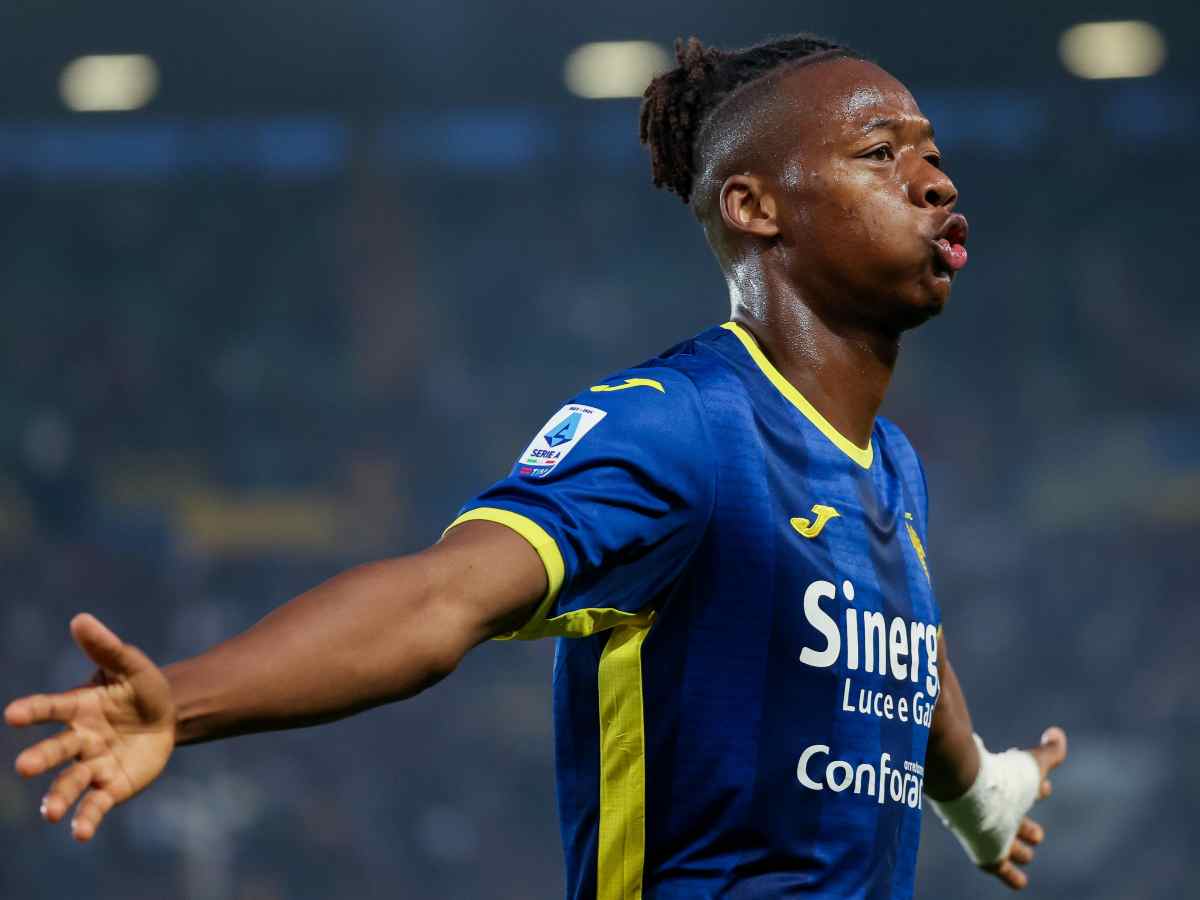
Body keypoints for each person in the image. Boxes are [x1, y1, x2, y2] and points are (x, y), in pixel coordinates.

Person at [6, 33, 1068, 899]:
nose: (933, 179)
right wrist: (181, 702)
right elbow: (439, 598)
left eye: (932, 153)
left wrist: (984, 793)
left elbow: (899, 646)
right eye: (881, 154)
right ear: (754, 207)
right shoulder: (682, 426)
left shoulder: (890, 466)